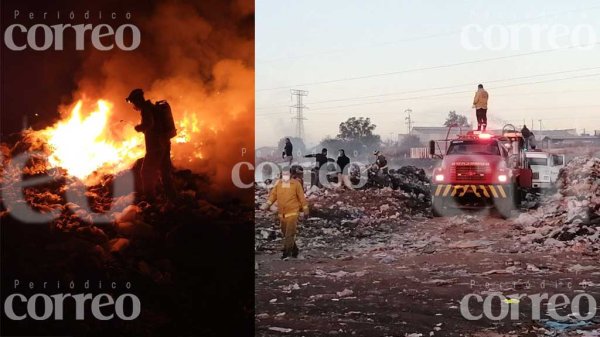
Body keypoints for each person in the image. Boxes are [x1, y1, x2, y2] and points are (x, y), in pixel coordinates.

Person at [126, 88, 176, 200]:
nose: (133, 105)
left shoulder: (146, 109)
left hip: (155, 147)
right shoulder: (154, 108)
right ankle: (173, 198)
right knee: (165, 172)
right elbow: (155, 126)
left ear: (138, 100)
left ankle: (150, 200)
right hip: (165, 143)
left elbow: (149, 124)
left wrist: (139, 127)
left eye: (133, 102)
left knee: (146, 172)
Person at [261, 168, 309, 259]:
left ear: (290, 174)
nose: (285, 175)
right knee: (285, 233)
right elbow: (273, 195)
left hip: (293, 212)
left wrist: (306, 211)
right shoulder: (278, 184)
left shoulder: (296, 184)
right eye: (284, 174)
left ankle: (286, 254)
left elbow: (302, 198)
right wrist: (267, 204)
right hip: (282, 214)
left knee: (289, 234)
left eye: (287, 174)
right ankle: (295, 251)